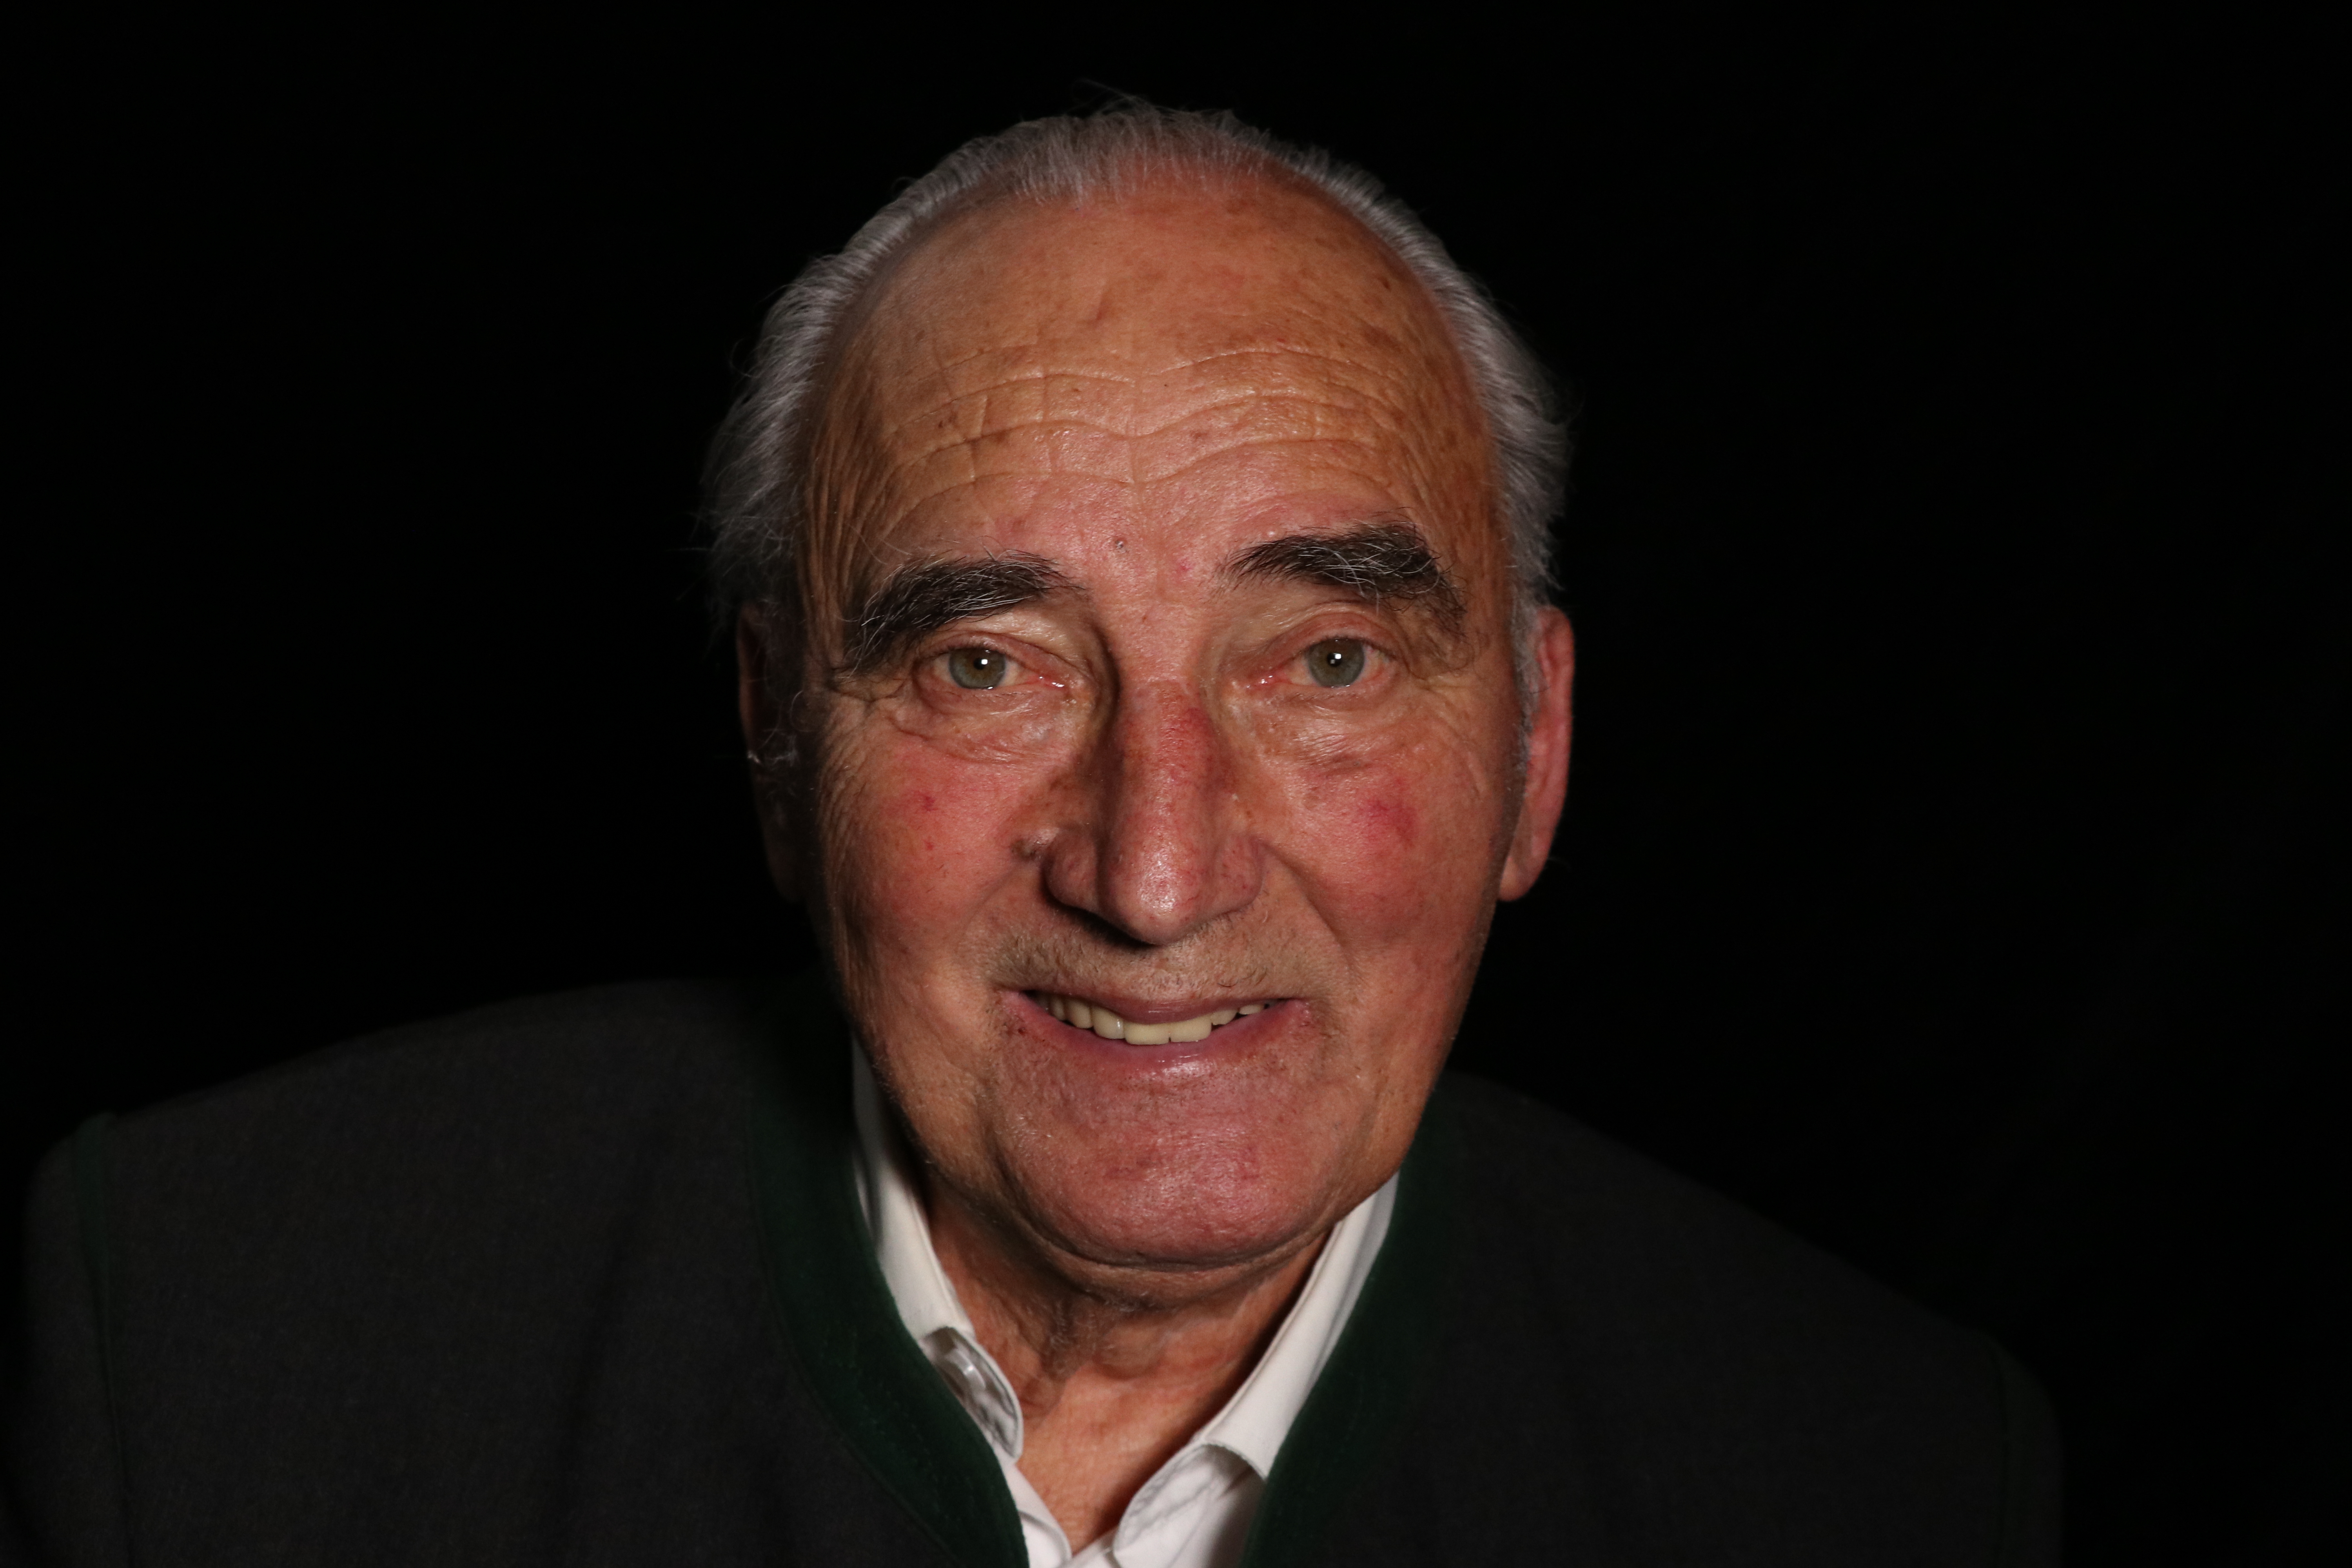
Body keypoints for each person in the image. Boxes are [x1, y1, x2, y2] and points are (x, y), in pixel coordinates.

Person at [4, 107, 2058, 1567]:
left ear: (1535, 752)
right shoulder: (206, 1345)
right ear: (778, 743)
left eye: (1326, 662)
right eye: (986, 665)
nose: (1155, 875)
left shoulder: (1885, 1483)